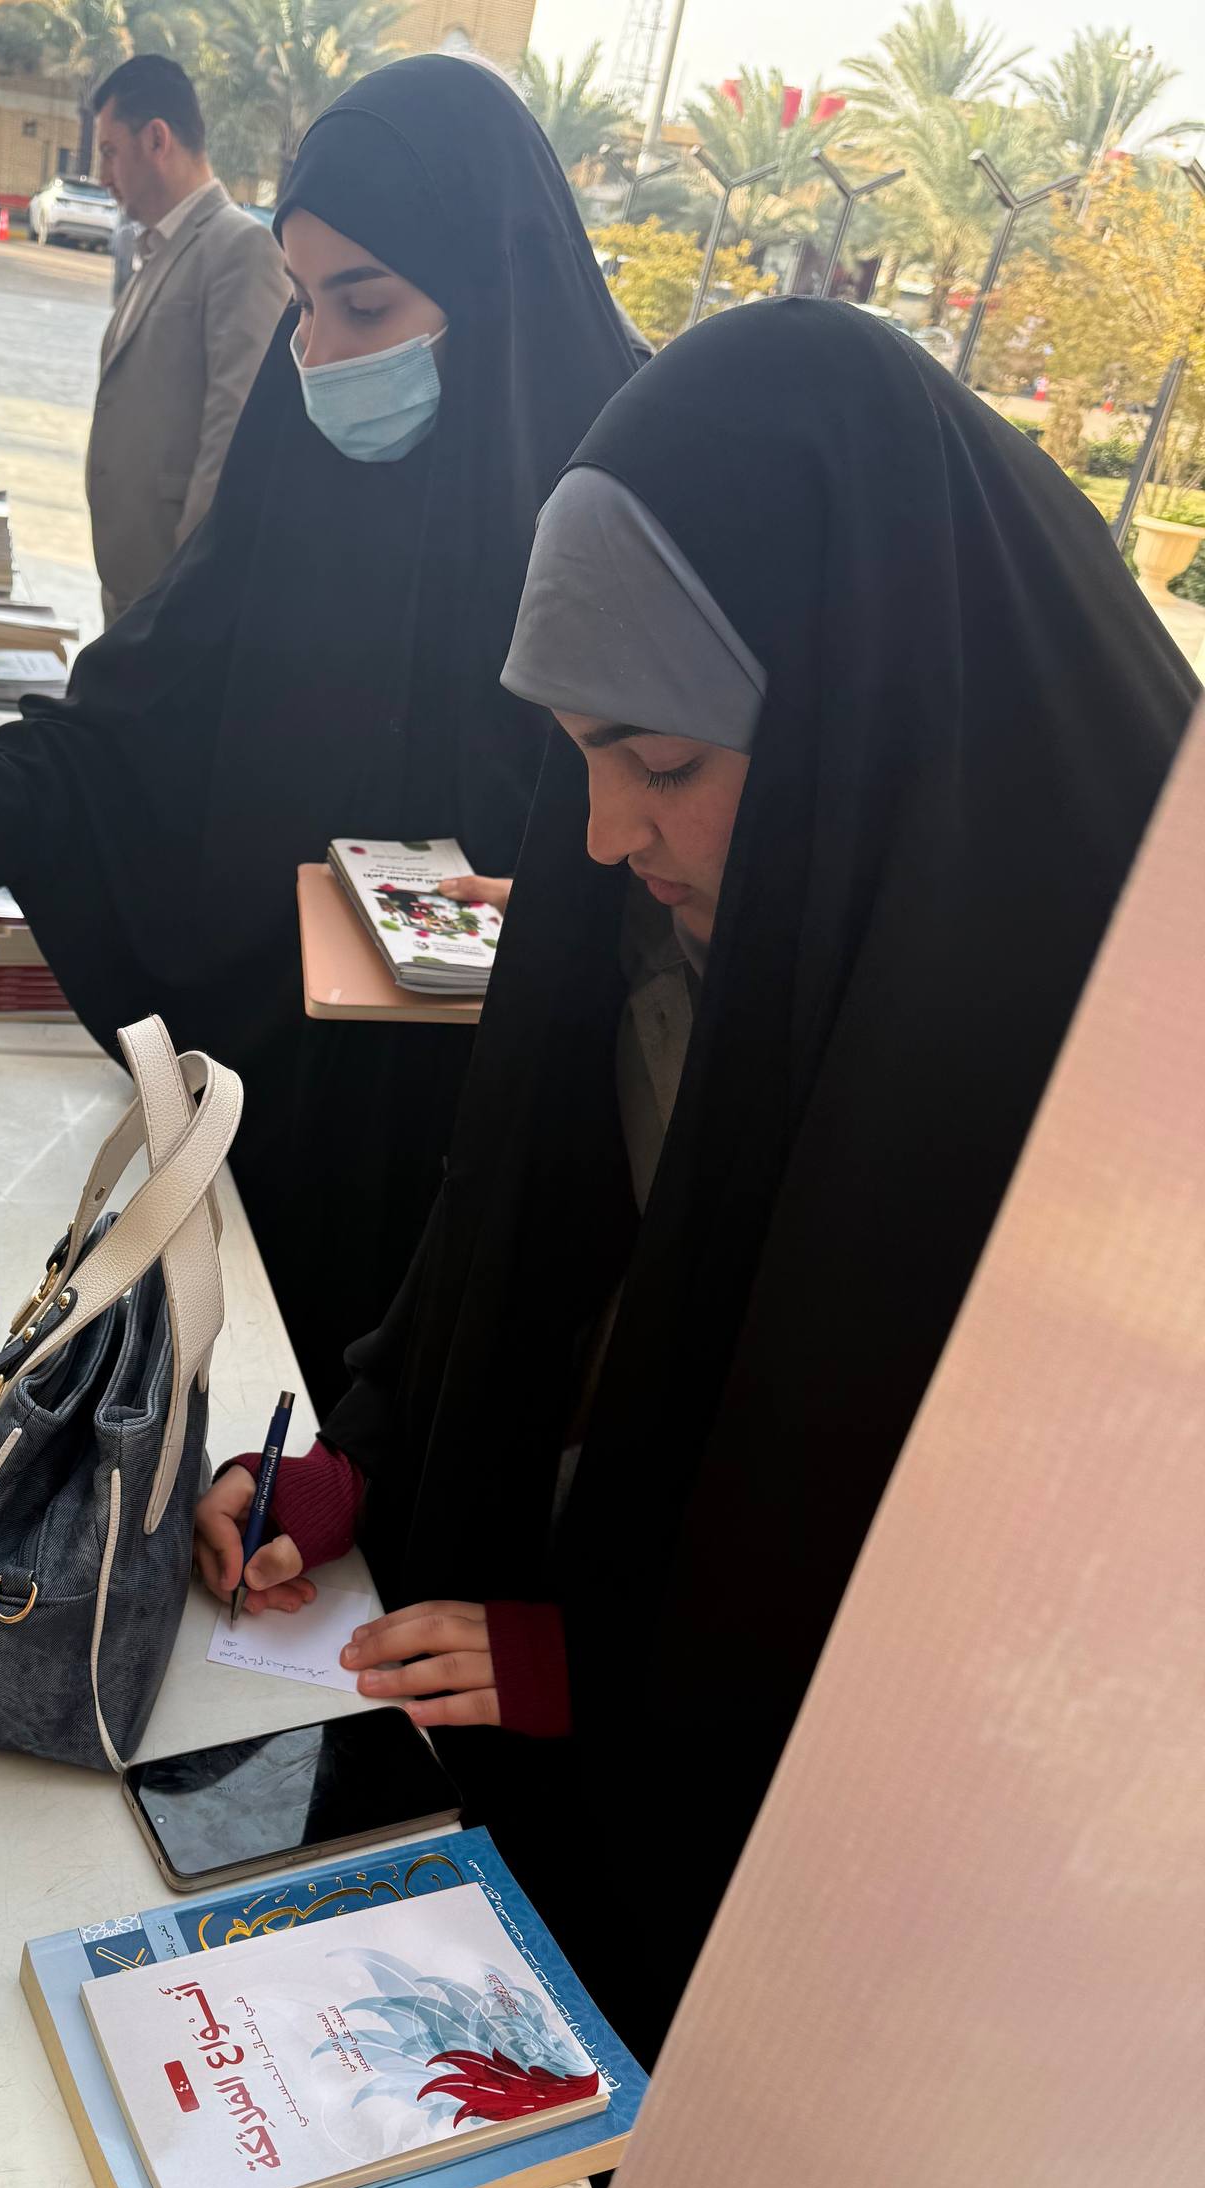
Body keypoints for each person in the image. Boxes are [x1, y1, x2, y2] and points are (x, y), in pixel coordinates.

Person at [194, 298, 1198, 2060]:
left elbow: (1031, 1599)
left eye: (661, 764)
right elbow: (523, 1230)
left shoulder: (1099, 1042)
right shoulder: (662, 903)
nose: (600, 834)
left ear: (846, 725)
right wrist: (359, 1458)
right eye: (577, 754)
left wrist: (618, 1670)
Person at [0, 54, 645, 1401]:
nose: (322, 356)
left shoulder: (618, 526)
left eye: (365, 303)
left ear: (490, 289)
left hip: (473, 1195)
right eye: (303, 303)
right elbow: (121, 724)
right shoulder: (295, 475)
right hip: (270, 1137)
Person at [84, 56, 290, 623]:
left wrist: (184, 595)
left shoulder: (241, 249)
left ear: (157, 139)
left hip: (173, 598)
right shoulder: (155, 249)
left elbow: (233, 435)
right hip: (131, 591)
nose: (101, 176)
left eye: (109, 152)